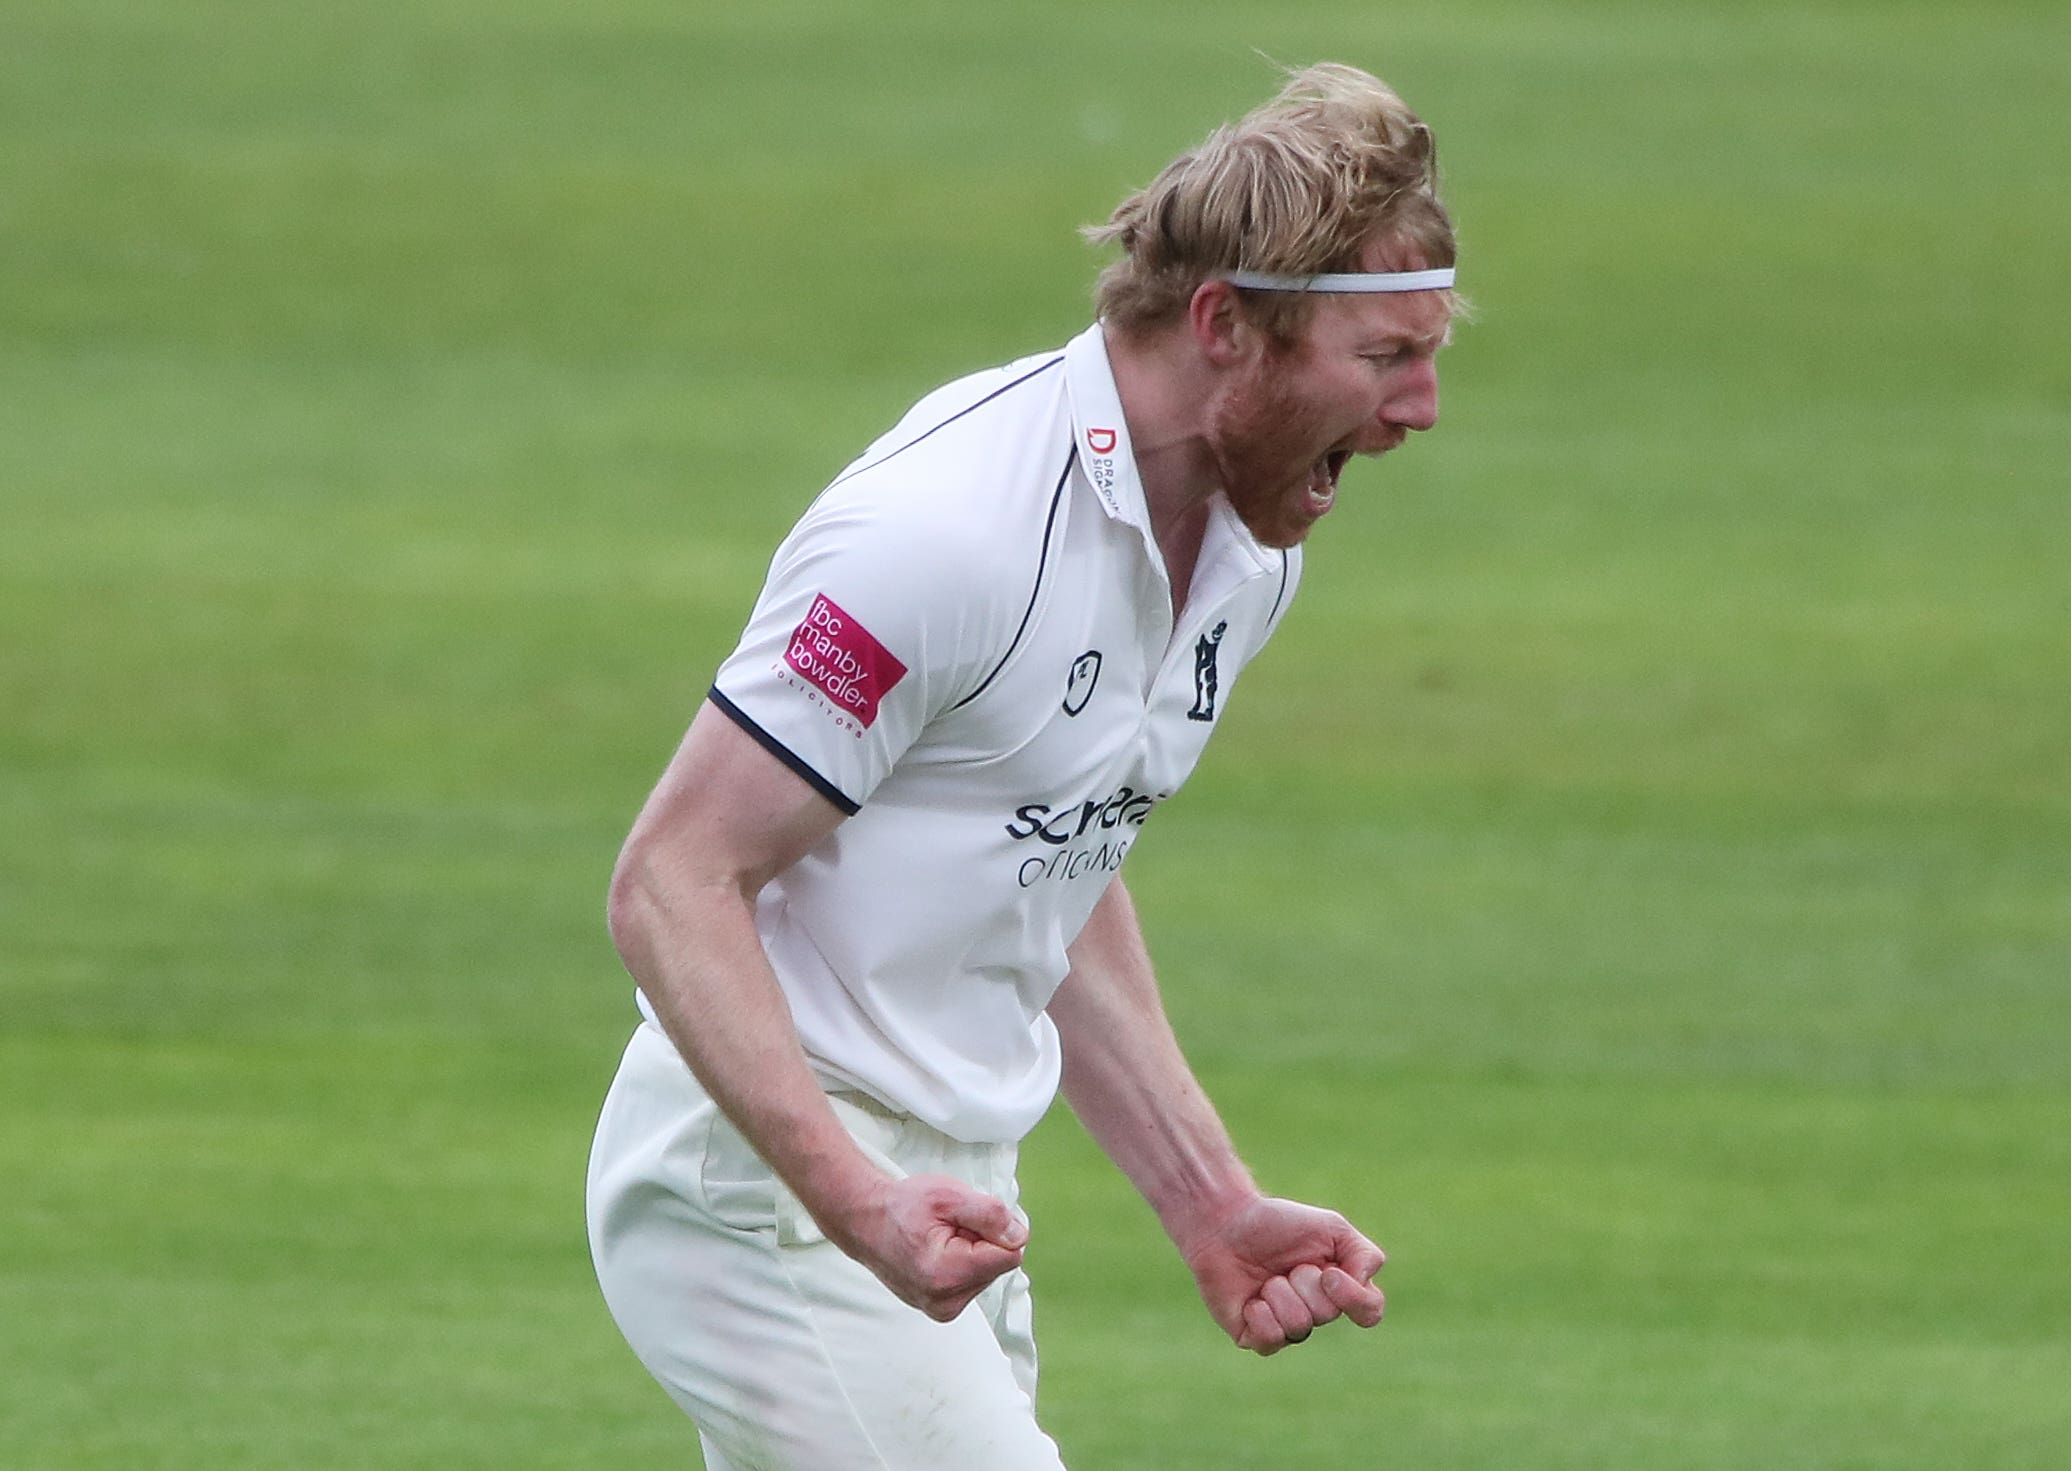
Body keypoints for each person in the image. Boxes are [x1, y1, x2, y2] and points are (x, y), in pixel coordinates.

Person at [585, 61, 1461, 1471]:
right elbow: (671, 878)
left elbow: (1049, 850)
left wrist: (1206, 1200)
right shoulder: (945, 532)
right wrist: (850, 1198)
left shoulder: (1244, 551)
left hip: (947, 1194)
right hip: (759, 1190)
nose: (1417, 410)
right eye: (1382, 361)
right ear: (1225, 324)